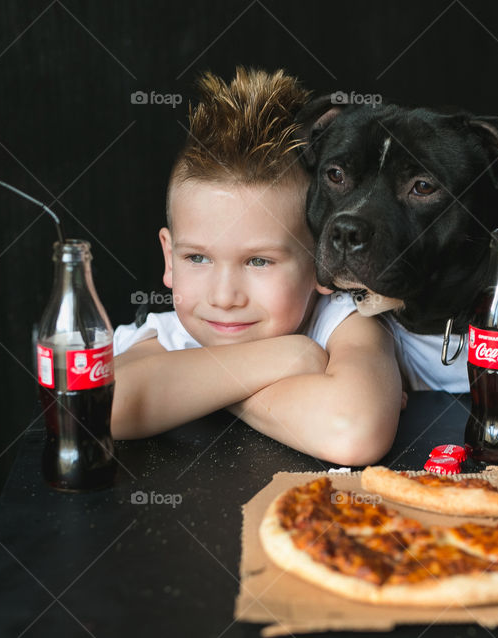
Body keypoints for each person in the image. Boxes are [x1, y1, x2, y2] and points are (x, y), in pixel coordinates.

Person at [111, 68, 401, 465]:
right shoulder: (172, 331)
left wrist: (205, 390)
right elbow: (104, 406)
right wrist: (289, 357)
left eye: (259, 261)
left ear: (321, 260)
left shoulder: (346, 322)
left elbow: (352, 431)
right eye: (197, 258)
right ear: (169, 258)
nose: (224, 297)